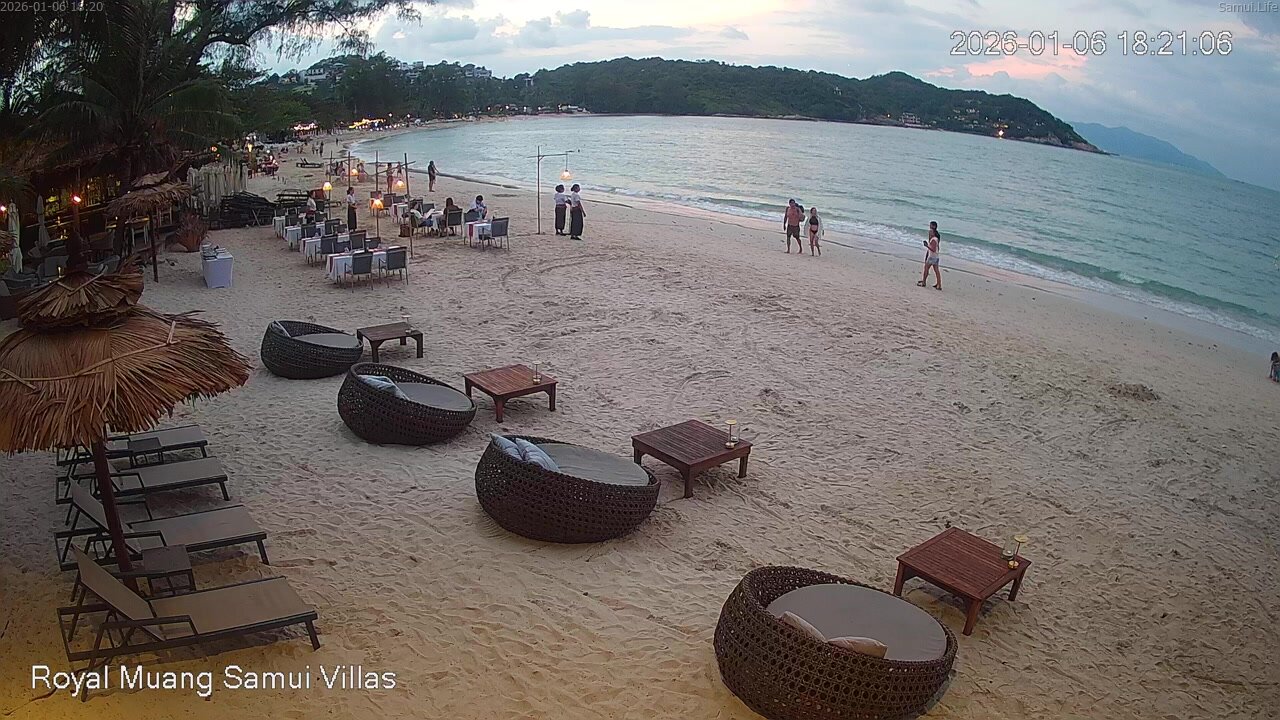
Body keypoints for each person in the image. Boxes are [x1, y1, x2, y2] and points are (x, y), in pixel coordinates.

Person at [917, 221, 941, 290]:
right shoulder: (936, 238)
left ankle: (924, 282)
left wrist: (927, 246)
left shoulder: (934, 239)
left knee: (926, 268)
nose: (929, 232)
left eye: (930, 232)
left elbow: (933, 249)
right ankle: (939, 284)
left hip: (932, 257)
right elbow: (937, 248)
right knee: (936, 270)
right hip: (935, 256)